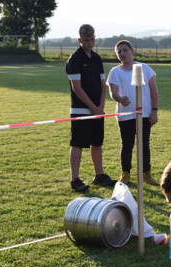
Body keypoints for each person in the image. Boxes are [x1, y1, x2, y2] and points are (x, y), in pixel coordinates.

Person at [65, 24, 116, 192]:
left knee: (97, 142)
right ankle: (75, 180)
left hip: (97, 109)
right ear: (80, 40)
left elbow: (103, 85)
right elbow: (77, 88)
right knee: (78, 143)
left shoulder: (97, 59)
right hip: (81, 110)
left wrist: (100, 107)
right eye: (86, 40)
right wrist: (94, 107)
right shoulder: (75, 59)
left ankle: (99, 176)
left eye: (93, 39)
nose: (90, 43)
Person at [107, 40, 159, 186]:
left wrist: (154, 111)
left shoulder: (145, 68)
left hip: (144, 114)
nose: (122, 54)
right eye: (119, 52)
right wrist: (119, 98)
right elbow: (113, 92)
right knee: (127, 145)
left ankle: (146, 174)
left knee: (144, 145)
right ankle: (125, 174)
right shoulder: (115, 72)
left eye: (125, 50)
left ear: (132, 51)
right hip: (125, 115)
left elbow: (154, 91)